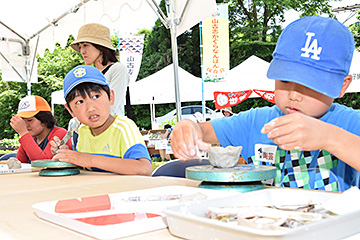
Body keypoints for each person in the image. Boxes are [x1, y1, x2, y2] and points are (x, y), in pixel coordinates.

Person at [170, 16, 360, 192]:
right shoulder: (256, 122)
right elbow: (203, 131)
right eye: (285, 80)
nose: (294, 95)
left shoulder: (352, 124)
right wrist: (188, 128)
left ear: (342, 86)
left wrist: (330, 137)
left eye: (310, 85)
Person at [51, 65, 152, 176]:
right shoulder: (83, 131)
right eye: (79, 102)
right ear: (70, 110)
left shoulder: (123, 127)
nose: (90, 108)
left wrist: (89, 159)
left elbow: (144, 168)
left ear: (111, 97)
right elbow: (84, 168)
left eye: (95, 96)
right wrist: (67, 156)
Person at [70, 23, 130, 116]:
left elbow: (111, 107)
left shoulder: (118, 69)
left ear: (100, 47)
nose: (82, 51)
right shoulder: (89, 74)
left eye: (85, 45)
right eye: (80, 47)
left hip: (112, 128)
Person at [10, 95, 72, 163]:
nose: (26, 125)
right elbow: (20, 163)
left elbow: (43, 163)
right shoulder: (31, 138)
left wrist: (24, 133)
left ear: (45, 119)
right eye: (23, 121)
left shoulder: (60, 133)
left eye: (30, 120)